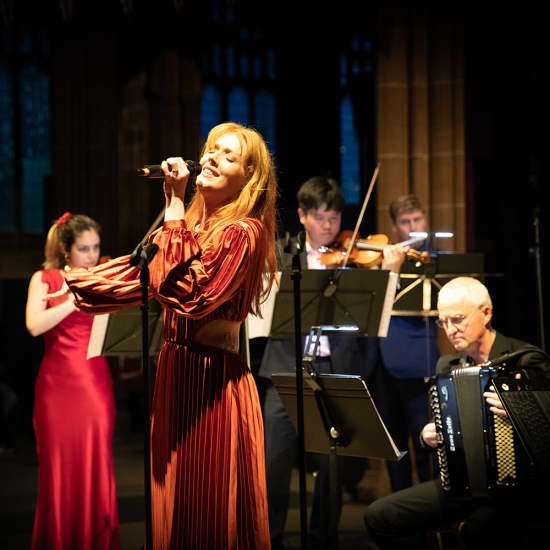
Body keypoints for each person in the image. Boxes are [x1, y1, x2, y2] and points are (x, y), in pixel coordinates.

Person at [54, 123, 277, 549]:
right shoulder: (188, 225)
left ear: (248, 179)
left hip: (214, 385)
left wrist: (174, 204)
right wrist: (76, 283)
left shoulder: (243, 232)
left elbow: (187, 292)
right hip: (176, 374)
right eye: (211, 150)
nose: (210, 158)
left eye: (227, 156)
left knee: (208, 512)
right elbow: (137, 273)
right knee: (173, 508)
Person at [364, 276, 550, 549]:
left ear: (486, 313)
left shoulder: (525, 360)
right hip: (463, 485)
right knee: (379, 516)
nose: (450, 330)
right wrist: (430, 434)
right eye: (444, 322)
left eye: (458, 319)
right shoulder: (448, 366)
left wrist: (518, 412)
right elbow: (446, 432)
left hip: (520, 489)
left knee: (478, 531)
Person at [258, 176, 379, 550]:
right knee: (273, 463)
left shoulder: (353, 263)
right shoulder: (281, 253)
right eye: (320, 217)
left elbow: (367, 319)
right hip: (285, 367)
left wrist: (378, 271)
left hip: (334, 368)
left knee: (331, 466)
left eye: (334, 217)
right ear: (302, 216)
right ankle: (270, 538)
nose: (329, 226)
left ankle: (323, 540)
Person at [25, 212, 120, 550]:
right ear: (66, 250)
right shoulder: (45, 278)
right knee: (58, 472)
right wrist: (72, 300)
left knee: (96, 465)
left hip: (95, 385)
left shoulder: (100, 276)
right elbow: (35, 326)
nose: (92, 257)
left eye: (96, 248)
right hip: (57, 387)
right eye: (84, 249)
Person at [373, 194, 439, 491]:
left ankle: (432, 523)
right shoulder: (383, 262)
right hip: (383, 367)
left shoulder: (436, 265)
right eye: (405, 222)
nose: (413, 227)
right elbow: (373, 312)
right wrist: (390, 271)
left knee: (426, 446)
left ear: (426, 219)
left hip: (420, 364)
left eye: (417, 219)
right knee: (394, 450)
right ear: (395, 227)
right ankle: (401, 524)